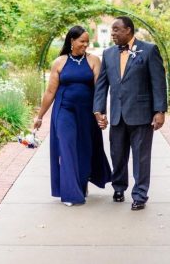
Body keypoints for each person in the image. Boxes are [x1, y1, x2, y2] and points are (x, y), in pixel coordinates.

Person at [93, 16, 168, 211]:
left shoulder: (149, 50)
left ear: (128, 30)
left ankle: (140, 195)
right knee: (117, 156)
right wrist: (99, 109)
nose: (113, 33)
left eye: (116, 29)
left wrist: (159, 111)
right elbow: (102, 84)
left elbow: (158, 82)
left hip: (141, 115)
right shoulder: (108, 53)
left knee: (141, 158)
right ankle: (119, 187)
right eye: (112, 30)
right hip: (117, 115)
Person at [33, 26, 112, 206]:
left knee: (84, 149)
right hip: (64, 111)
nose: (85, 45)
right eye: (82, 41)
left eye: (87, 42)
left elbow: (99, 90)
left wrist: (101, 114)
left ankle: (81, 184)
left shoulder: (94, 60)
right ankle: (70, 194)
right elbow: (50, 92)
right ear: (72, 41)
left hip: (87, 113)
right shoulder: (59, 62)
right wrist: (40, 116)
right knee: (67, 148)